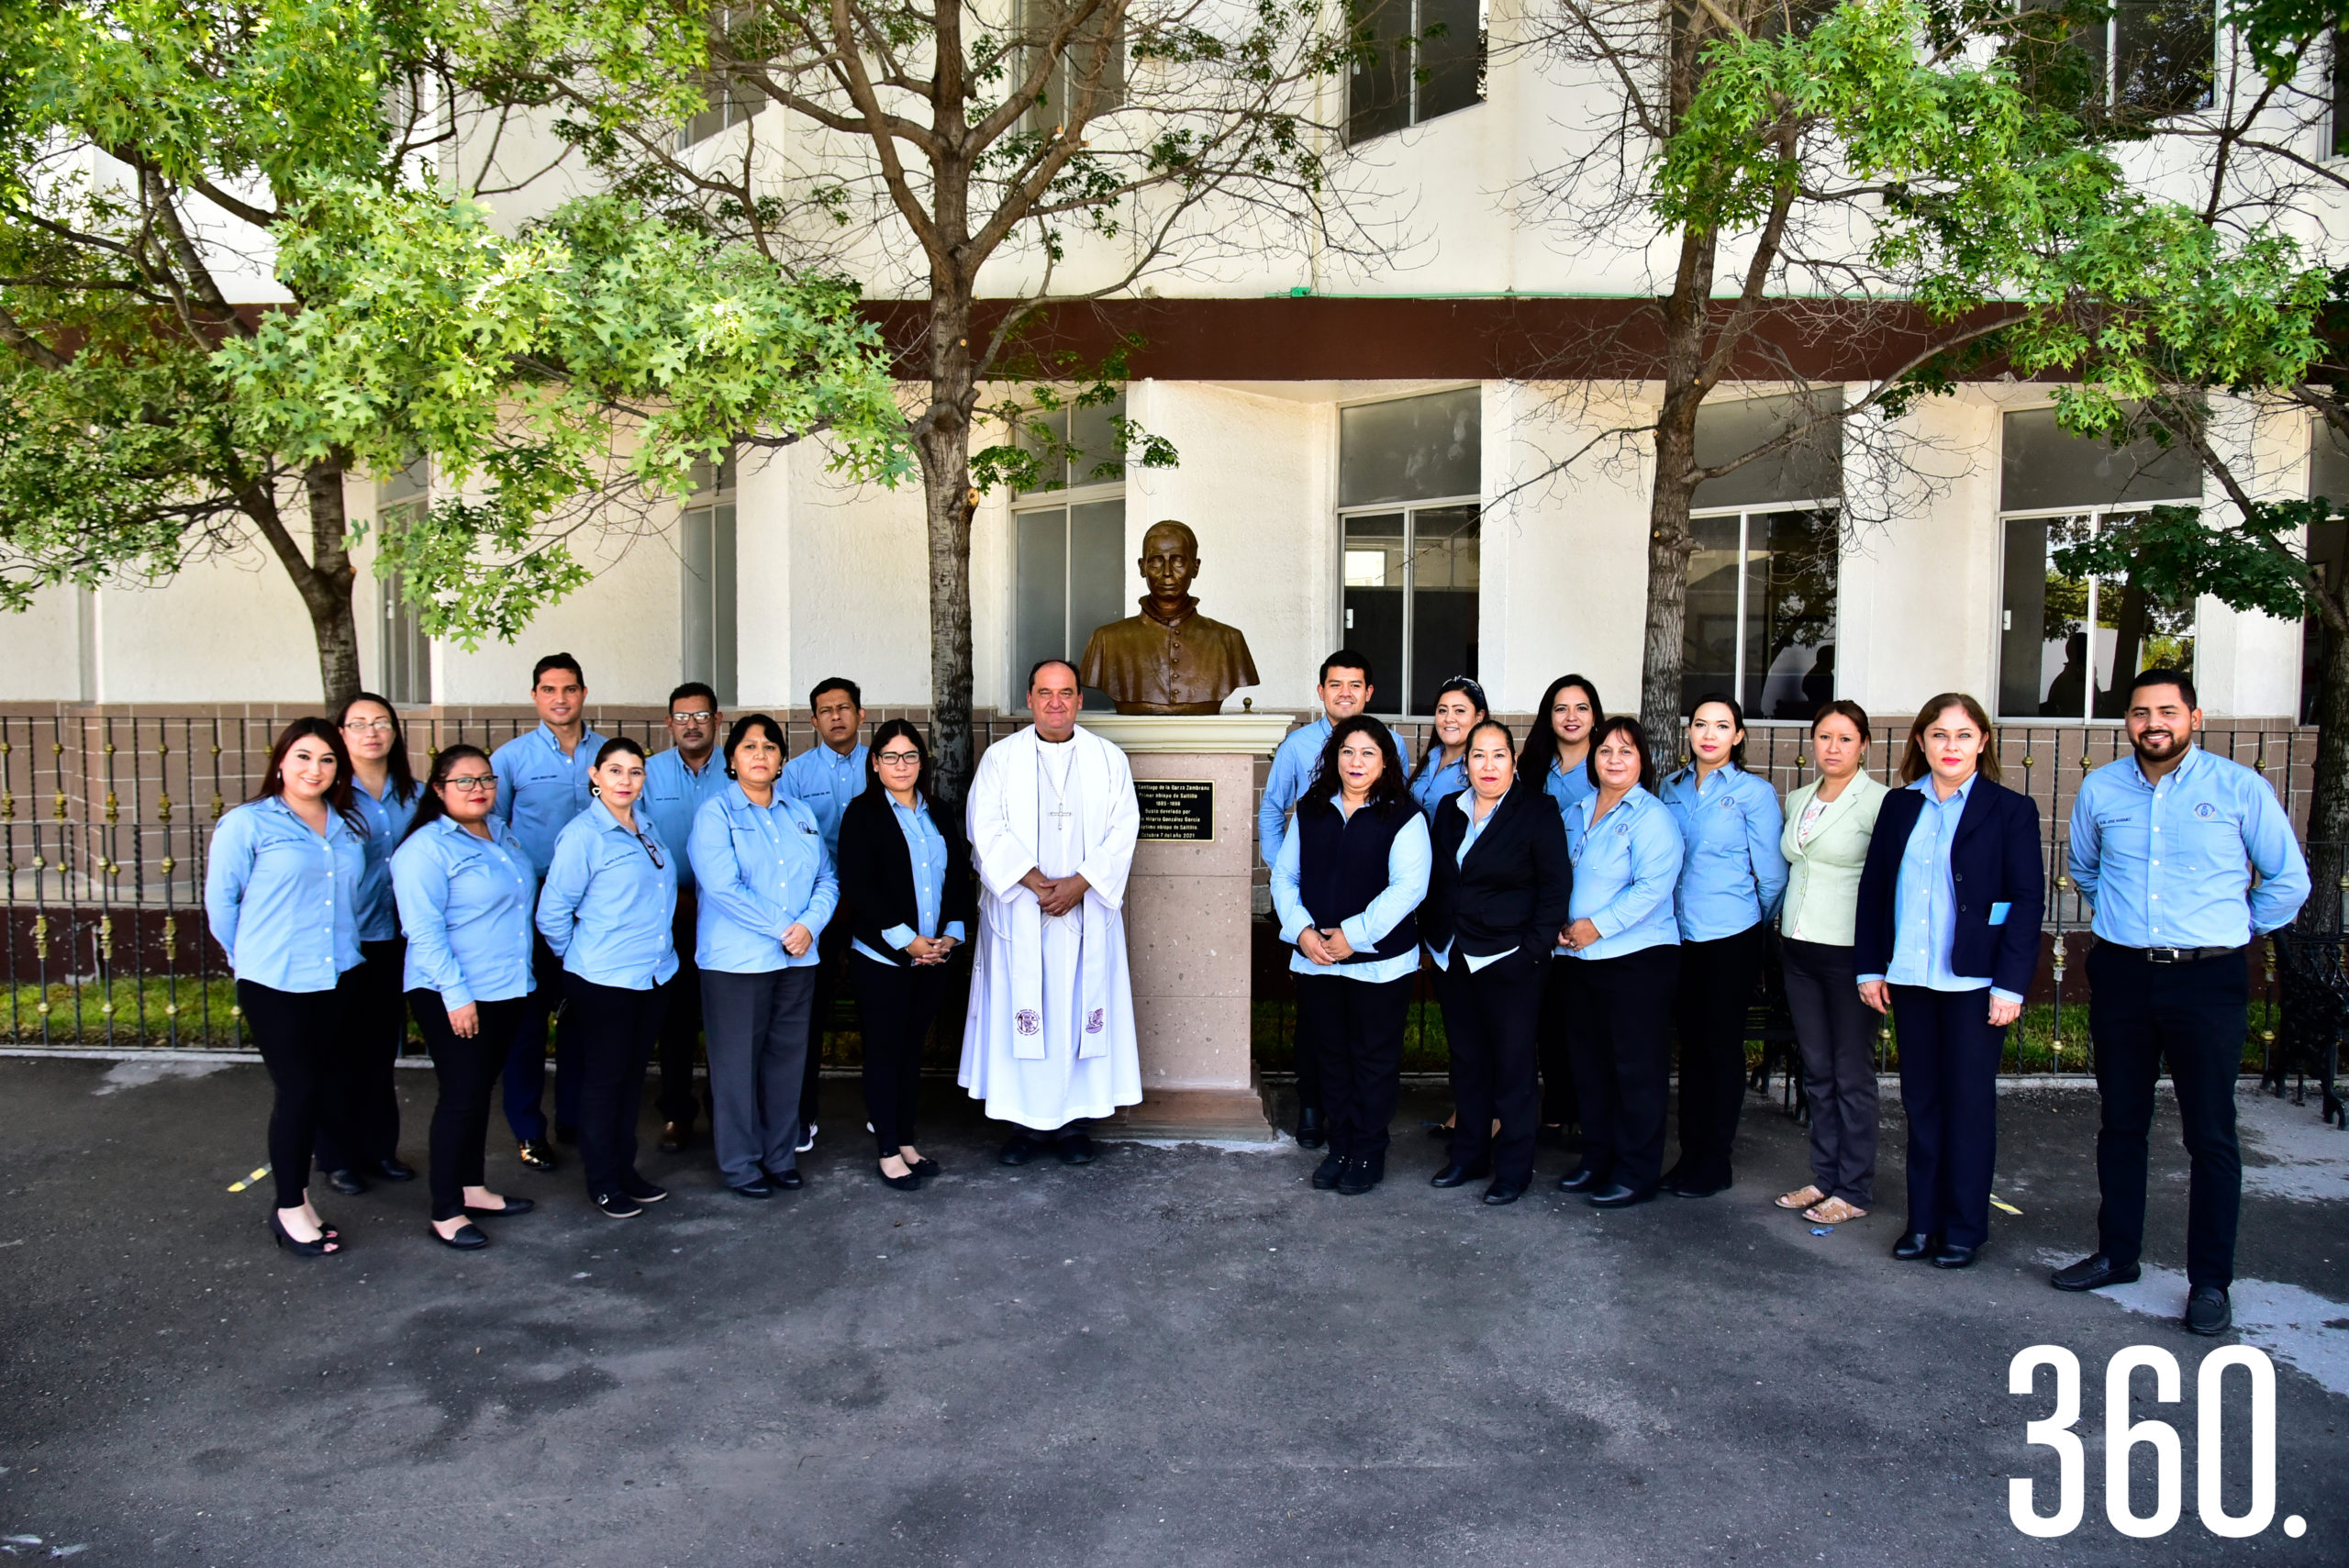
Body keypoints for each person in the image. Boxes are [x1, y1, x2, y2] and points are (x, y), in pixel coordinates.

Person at [2051, 669, 2310, 1335]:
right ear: (2127, 722)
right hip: (2124, 974)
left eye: (2167, 710)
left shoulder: (2238, 788)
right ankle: (2118, 1253)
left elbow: (2287, 879)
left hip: (2208, 978)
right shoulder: (2103, 788)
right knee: (2121, 1122)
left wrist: (2233, 926)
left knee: (2211, 1133)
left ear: (2194, 717)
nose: (2152, 723)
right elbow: (2086, 868)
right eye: (2140, 712)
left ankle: (2211, 1281)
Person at [1855, 693, 2043, 1271]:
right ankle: (1923, 1222)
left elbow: (2026, 902)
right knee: (1922, 1104)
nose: (1951, 746)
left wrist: (2009, 986)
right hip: (1911, 978)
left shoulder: (2010, 809)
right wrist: (1870, 966)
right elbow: (1875, 890)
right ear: (1921, 742)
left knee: (1967, 1106)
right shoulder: (1898, 807)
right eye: (1939, 735)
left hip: (1974, 985)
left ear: (1982, 742)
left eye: (1963, 735)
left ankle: (1963, 1228)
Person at [960, 659, 1142, 1163]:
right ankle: (1025, 1126)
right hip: (1022, 911)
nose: (1056, 703)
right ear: (1030, 699)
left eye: (1066, 693)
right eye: (1045, 693)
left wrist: (1080, 885)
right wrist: (1039, 885)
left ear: (1080, 700)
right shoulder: (1000, 759)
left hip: (1085, 914)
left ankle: (1075, 1124)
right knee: (1027, 1009)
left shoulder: (1108, 760)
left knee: (1077, 1010)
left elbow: (1123, 830)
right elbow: (986, 828)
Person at [204, 718, 368, 1256]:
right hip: (276, 980)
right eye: (303, 756)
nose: (314, 769)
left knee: (321, 1086)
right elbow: (221, 904)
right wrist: (250, 957)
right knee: (297, 1091)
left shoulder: (345, 826)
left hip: (336, 975)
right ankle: (288, 1206)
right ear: (281, 761)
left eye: (326, 760)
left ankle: (301, 1196)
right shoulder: (248, 824)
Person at [1271, 716, 1431, 1195]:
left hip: (1379, 965)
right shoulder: (1313, 810)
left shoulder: (1405, 816)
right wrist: (1301, 931)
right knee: (1332, 1059)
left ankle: (1367, 1151)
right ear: (1333, 757)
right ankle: (1339, 1148)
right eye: (1347, 752)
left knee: (1373, 1060)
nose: (1356, 762)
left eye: (1367, 753)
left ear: (1385, 762)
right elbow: (1285, 877)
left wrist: (1353, 935)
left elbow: (1409, 888)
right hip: (1317, 958)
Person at [1258, 651, 1410, 1149]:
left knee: (1366, 1040)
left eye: (1355, 684)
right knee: (1318, 1029)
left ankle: (1363, 1137)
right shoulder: (1298, 747)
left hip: (1368, 918)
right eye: (1334, 684)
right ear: (1321, 691)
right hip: (1311, 912)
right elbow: (1273, 811)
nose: (1345, 692)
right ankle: (1312, 1109)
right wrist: (1296, 889)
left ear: (1369, 693)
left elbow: (1396, 824)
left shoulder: (1389, 749)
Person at [391, 746, 539, 1250]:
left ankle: (472, 1188)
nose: (478, 789)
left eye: (485, 779)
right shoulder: (426, 850)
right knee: (460, 1096)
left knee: (479, 1092)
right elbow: (424, 931)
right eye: (464, 781)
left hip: (505, 986)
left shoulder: (500, 833)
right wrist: (456, 995)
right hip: (453, 991)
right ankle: (445, 1209)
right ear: (438, 790)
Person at [1422, 718, 1572, 1205]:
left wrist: (1532, 951)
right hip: (1454, 954)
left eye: (1498, 755)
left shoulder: (1537, 810)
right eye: (1478, 756)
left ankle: (1513, 1168)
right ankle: (1469, 1155)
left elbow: (1554, 888)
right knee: (1467, 1063)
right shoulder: (1449, 808)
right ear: (1466, 764)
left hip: (1510, 958)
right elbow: (1440, 880)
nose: (1488, 765)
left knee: (1512, 1067)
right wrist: (1433, 940)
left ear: (1513, 760)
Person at [690, 715, 838, 1199]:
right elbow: (722, 886)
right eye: (749, 746)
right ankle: (740, 1164)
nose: (760, 754)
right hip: (737, 964)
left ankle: (779, 1157)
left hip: (798, 961)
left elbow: (827, 879)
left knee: (786, 1063)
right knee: (735, 1068)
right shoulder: (717, 813)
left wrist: (809, 927)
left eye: (770, 747)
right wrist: (784, 928)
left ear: (781, 760)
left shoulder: (800, 814)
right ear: (732, 759)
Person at [537, 738, 678, 1218]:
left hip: (652, 977)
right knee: (603, 1083)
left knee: (631, 1081)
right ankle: (602, 1180)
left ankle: (625, 1169)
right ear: (595, 776)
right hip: (603, 981)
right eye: (615, 770)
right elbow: (553, 914)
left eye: (635, 772)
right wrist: (583, 961)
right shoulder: (584, 836)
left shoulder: (645, 826)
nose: (625, 780)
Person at [1657, 695, 1788, 1197]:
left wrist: (1748, 922)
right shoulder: (1671, 788)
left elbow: (1772, 878)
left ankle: (1715, 1161)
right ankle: (1689, 1156)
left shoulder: (1754, 793)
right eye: (1700, 723)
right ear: (1689, 732)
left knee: (1720, 1050)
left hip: (1729, 937)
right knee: (1690, 1050)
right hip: (1679, 935)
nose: (1709, 734)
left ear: (1737, 737)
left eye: (1722, 726)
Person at [1555, 716, 1684, 1209]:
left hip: (1636, 959)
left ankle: (1636, 1171)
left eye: (1625, 752)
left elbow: (1653, 888)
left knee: (1635, 1070)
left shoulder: (1653, 817)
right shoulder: (1578, 809)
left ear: (1642, 762)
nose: (1613, 759)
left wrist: (1596, 926)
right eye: (1606, 750)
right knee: (1590, 1066)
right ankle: (1598, 1158)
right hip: (1578, 958)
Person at [837, 720, 972, 1189]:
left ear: (922, 763)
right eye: (891, 757)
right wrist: (907, 940)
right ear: (875, 764)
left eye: (910, 756)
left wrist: (949, 936)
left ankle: (908, 1141)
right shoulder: (862, 814)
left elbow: (956, 877)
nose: (901, 765)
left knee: (912, 1052)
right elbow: (861, 886)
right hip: (883, 958)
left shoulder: (937, 810)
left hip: (935, 955)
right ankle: (888, 1150)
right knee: (885, 1051)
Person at [489, 652, 608, 1171]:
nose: (560, 699)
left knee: (583, 1016)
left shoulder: (608, 754)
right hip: (533, 905)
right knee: (528, 1023)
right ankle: (528, 1128)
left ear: (584, 693)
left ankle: (574, 1116)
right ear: (535, 696)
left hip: (596, 909)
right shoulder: (511, 759)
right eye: (548, 689)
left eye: (569, 689)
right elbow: (491, 829)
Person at [1772, 700, 1889, 1226]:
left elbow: (1889, 886)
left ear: (1863, 745)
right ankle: (1824, 1176)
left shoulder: (1880, 803)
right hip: (1798, 948)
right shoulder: (1798, 798)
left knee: (1851, 1072)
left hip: (1850, 954)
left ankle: (1855, 1187)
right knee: (1816, 1069)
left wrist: (1879, 962)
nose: (1833, 748)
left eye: (1845, 738)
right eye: (1824, 737)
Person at [316, 693, 423, 1196]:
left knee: (380, 1051)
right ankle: (337, 1156)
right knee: (336, 1051)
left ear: (395, 732)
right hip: (343, 939)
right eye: (358, 724)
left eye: (381, 722)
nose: (371, 732)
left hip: (393, 937)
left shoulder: (416, 795)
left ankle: (380, 1149)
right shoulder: (327, 796)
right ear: (341, 734)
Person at [781, 677, 870, 1151]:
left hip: (872, 908)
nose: (836, 716)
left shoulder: (881, 764)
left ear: (860, 713)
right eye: (825, 710)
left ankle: (882, 1109)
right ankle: (802, 1113)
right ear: (813, 721)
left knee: (876, 1009)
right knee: (808, 1015)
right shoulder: (794, 775)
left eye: (844, 707)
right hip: (818, 909)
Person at [643, 682, 729, 1152]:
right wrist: (673, 898)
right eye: (682, 717)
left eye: (700, 716)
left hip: (726, 917)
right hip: (669, 916)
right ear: (669, 723)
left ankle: (724, 1109)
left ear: (718, 721)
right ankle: (676, 1112)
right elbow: (635, 841)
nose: (691, 724)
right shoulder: (649, 775)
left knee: (723, 1019)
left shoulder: (737, 773)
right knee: (674, 1023)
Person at [1520, 674, 1605, 1145]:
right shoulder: (1532, 766)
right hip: (1541, 910)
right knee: (1546, 1017)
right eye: (1560, 708)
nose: (1571, 717)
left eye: (1581, 707)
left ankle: (1585, 1114)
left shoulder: (1608, 762)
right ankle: (1554, 1110)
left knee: (1584, 1022)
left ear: (1595, 714)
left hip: (1590, 913)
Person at [1406, 677, 1487, 818]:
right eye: (1443, 710)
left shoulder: (1486, 766)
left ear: (1479, 716)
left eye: (1459, 711)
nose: (1449, 718)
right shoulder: (1433, 756)